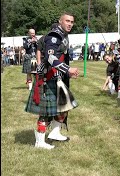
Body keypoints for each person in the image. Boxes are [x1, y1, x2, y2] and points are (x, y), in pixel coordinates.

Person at [25, 12, 79, 149]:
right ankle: (40, 141)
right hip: (48, 78)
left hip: (58, 78)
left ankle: (55, 132)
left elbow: (61, 56)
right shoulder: (54, 36)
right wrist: (67, 69)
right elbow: (50, 58)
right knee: (46, 113)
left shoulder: (63, 35)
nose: (70, 24)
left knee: (64, 106)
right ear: (60, 21)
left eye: (72, 22)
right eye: (67, 21)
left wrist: (66, 73)